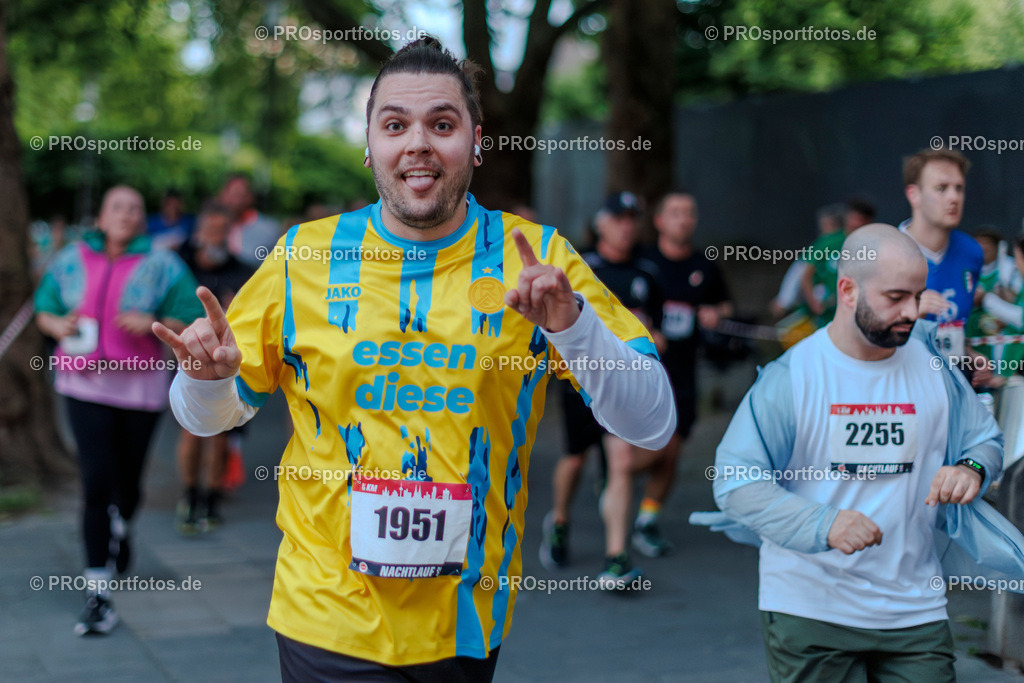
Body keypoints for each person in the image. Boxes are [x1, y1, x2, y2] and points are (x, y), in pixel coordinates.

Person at [156, 38, 675, 680]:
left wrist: (573, 328)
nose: (418, 144)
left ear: (476, 142)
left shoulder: (537, 258)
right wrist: (204, 381)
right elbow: (208, 418)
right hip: (328, 610)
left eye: (443, 124)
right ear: (369, 144)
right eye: (395, 124)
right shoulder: (305, 257)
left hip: (464, 620)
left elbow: (651, 422)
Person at [693, 224, 1024, 681]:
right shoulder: (791, 377)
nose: (912, 312)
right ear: (847, 290)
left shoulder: (931, 361)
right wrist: (823, 523)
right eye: (895, 297)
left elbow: (982, 440)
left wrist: (970, 470)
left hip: (915, 610)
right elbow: (735, 482)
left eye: (918, 295)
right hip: (810, 610)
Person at [34, 185, 203, 636]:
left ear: (141, 219)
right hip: (82, 383)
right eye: (117, 207)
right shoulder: (71, 257)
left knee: (127, 483)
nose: (126, 214)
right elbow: (44, 308)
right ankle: (97, 594)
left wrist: (156, 323)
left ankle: (122, 524)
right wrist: (58, 324)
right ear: (102, 217)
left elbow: (192, 318)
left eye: (134, 208)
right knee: (95, 481)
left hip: (140, 386)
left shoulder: (164, 263)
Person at [539, 191, 665, 587]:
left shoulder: (647, 272)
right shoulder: (578, 265)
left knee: (621, 461)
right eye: (617, 218)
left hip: (623, 383)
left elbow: (655, 327)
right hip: (580, 380)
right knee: (575, 460)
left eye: (632, 219)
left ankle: (616, 556)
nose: (626, 226)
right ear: (600, 224)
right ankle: (559, 519)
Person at [635, 192, 731, 557]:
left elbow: (724, 302)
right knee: (637, 449)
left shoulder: (703, 264)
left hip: (683, 371)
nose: (684, 219)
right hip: (639, 369)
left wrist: (715, 313)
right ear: (659, 221)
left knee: (672, 448)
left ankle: (647, 518)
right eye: (675, 213)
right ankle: (615, 478)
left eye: (690, 213)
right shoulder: (643, 260)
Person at [174, 202, 255, 533]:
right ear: (199, 233)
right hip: (191, 360)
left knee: (221, 431)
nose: (215, 237)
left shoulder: (245, 271)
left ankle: (210, 498)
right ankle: (190, 495)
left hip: (229, 363)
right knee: (192, 429)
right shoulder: (182, 268)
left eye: (222, 231)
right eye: (210, 230)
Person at [898, 149, 992, 386]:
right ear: (914, 195)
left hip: (953, 395)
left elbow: (952, 330)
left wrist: (970, 356)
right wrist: (911, 312)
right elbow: (863, 343)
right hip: (902, 391)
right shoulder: (886, 254)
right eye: (941, 188)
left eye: (959, 188)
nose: (954, 198)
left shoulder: (972, 252)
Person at [799, 196, 876, 325]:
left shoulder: (872, 247)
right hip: (827, 314)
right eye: (853, 217)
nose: (855, 223)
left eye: (860, 220)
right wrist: (813, 302)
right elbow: (805, 274)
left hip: (858, 315)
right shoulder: (828, 243)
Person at [770, 203, 843, 319]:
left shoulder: (823, 243)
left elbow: (800, 271)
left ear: (829, 224)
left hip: (823, 305)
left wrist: (784, 300)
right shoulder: (849, 239)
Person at [218, 174, 281, 269]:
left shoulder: (270, 229)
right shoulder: (213, 226)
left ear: (250, 197)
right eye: (229, 193)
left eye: (238, 194)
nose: (232, 200)